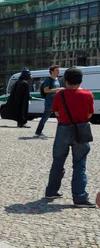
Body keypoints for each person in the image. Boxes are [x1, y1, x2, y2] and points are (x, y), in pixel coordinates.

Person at [45, 68, 95, 207]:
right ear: (81, 80)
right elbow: (89, 115)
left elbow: (56, 112)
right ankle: (79, 198)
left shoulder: (59, 95)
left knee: (58, 161)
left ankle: (51, 191)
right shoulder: (88, 94)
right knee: (80, 165)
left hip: (63, 130)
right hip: (81, 130)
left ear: (65, 81)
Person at [35, 65, 64, 138]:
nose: (58, 71)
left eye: (58, 70)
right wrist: (58, 89)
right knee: (45, 117)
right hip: (50, 102)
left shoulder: (58, 79)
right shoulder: (48, 80)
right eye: (57, 70)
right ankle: (38, 132)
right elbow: (46, 90)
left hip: (57, 102)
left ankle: (62, 132)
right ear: (52, 71)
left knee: (59, 117)